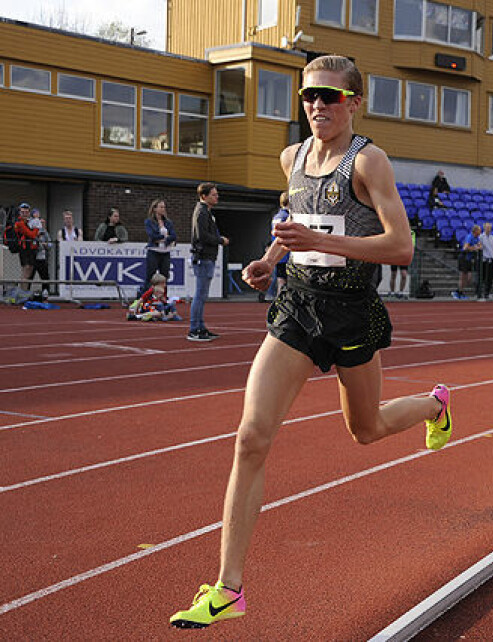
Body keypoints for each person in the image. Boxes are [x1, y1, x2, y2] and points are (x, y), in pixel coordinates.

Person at [170, 54, 453, 629]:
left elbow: (401, 247)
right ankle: (229, 589)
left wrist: (321, 244)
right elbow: (298, 219)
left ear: (354, 103)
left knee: (366, 429)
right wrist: (270, 259)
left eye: (330, 96)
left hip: (351, 311)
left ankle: (434, 406)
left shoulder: (368, 162)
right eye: (309, 96)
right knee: (250, 437)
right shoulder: (291, 157)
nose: (318, 105)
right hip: (297, 306)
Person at [187, 182, 229, 341]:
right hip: (203, 257)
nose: (217, 197)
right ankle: (194, 329)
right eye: (213, 194)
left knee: (202, 295)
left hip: (206, 257)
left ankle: (200, 326)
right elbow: (202, 236)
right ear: (204, 196)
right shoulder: (202, 212)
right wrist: (220, 240)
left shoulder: (205, 212)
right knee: (200, 295)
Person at [143, 199, 177, 294]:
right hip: (153, 251)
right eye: (161, 207)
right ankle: (146, 298)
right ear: (155, 209)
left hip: (165, 252)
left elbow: (174, 236)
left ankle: (163, 298)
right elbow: (152, 236)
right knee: (150, 276)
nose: (163, 209)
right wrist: (166, 237)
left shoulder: (168, 222)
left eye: (164, 207)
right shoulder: (149, 222)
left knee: (164, 276)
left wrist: (163, 239)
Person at [13, 203, 39, 289]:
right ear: (20, 213)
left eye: (27, 212)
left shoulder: (29, 222)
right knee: (26, 269)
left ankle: (25, 290)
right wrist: (36, 229)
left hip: (31, 248)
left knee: (30, 270)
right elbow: (32, 235)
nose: (25, 214)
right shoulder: (19, 223)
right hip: (24, 249)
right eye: (23, 212)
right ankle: (22, 290)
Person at [454, 224, 481, 299]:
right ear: (475, 231)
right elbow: (465, 247)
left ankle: (460, 290)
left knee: (469, 278)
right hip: (464, 257)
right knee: (463, 276)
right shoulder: (470, 237)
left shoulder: (477, 238)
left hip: (469, 259)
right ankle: (459, 292)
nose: (480, 232)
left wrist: (477, 247)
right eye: (479, 231)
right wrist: (474, 248)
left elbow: (480, 246)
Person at [388, 228, 414, 298]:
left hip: (403, 256)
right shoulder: (395, 232)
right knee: (393, 274)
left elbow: (412, 244)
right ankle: (392, 292)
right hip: (395, 256)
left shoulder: (411, 233)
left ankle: (401, 291)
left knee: (404, 274)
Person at [477, 221, 493, 299]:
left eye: (490, 227)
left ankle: (487, 292)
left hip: (491, 258)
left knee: (490, 277)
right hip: (484, 259)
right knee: (482, 277)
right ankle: (479, 292)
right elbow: (480, 246)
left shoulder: (492, 237)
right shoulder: (481, 237)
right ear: (484, 228)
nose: (489, 229)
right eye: (487, 227)